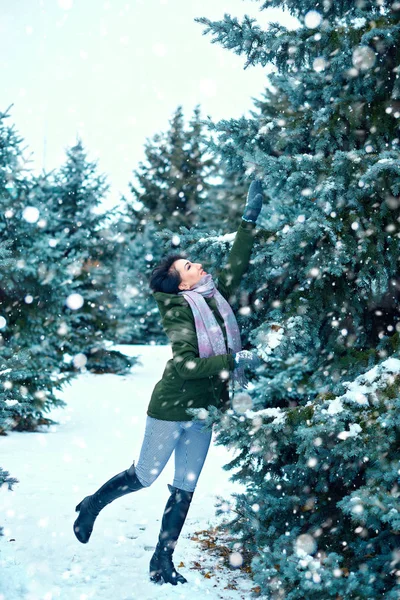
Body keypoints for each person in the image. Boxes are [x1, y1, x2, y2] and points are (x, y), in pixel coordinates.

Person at [73, 180, 264, 586]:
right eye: (189, 266)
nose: (198, 265)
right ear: (182, 284)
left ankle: (162, 561)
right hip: (172, 407)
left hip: (206, 409)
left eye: (193, 262)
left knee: (185, 488)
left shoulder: (214, 297)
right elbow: (187, 366)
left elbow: (236, 263)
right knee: (145, 476)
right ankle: (92, 505)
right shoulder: (180, 312)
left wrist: (248, 221)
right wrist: (235, 359)